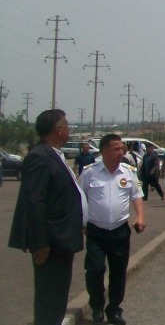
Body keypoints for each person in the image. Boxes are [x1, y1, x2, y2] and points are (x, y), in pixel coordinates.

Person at [8, 109, 87, 325]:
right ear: (58, 130)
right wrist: (41, 243)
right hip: (51, 243)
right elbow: (35, 202)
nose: (69, 129)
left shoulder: (54, 155)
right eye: (66, 125)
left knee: (58, 298)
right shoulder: (39, 157)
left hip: (62, 239)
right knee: (49, 299)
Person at [79, 133, 145, 325]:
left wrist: (140, 217)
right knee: (95, 269)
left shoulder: (128, 172)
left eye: (122, 148)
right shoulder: (90, 172)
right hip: (95, 231)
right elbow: (79, 198)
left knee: (118, 272)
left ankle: (114, 309)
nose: (121, 152)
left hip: (119, 231)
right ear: (104, 151)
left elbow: (136, 195)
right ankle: (97, 306)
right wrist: (81, 223)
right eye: (116, 149)